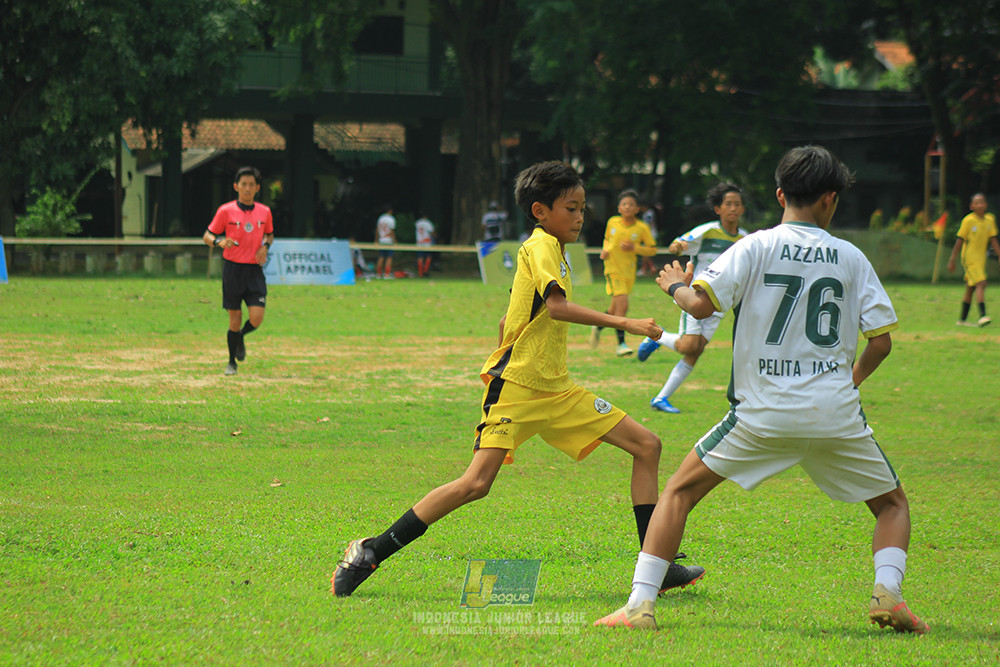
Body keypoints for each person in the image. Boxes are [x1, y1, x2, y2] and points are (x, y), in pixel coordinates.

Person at [595, 145, 928, 634]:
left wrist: (673, 286)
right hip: (835, 414)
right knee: (892, 505)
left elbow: (702, 308)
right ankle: (888, 593)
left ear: (779, 195)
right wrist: (846, 384)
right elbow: (881, 343)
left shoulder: (754, 246)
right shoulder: (852, 257)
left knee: (679, 493)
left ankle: (639, 606)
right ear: (831, 199)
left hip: (761, 414)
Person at [331, 161, 704, 598]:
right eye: (571, 208)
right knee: (475, 484)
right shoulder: (542, 246)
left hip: (558, 389)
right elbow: (557, 309)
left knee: (647, 445)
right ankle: (370, 550)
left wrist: (513, 337)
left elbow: (513, 314)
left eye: (583, 207)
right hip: (518, 390)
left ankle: (655, 568)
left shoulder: (554, 250)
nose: (580, 216)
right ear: (539, 211)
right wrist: (630, 324)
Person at [637, 183, 748, 413]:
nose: (733, 208)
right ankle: (656, 338)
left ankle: (660, 399)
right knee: (689, 346)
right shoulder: (707, 231)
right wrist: (680, 246)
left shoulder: (745, 240)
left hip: (721, 303)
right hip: (695, 297)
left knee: (695, 351)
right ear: (718, 208)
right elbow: (675, 246)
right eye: (728, 204)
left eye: (737, 204)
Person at [202, 166, 274, 377]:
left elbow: (269, 235)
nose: (247, 188)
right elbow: (207, 235)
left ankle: (241, 335)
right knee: (234, 318)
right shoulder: (226, 211)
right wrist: (219, 241)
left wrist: (265, 246)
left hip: (254, 271)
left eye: (252, 184)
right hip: (233, 270)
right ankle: (231, 362)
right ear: (236, 186)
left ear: (258, 188)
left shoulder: (265, 212)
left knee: (257, 317)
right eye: (243, 184)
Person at [590, 189, 658, 357]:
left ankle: (597, 326)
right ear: (619, 208)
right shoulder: (612, 222)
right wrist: (605, 250)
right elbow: (607, 239)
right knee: (623, 306)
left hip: (629, 271)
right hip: (612, 269)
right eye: (624, 204)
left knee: (614, 310)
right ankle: (621, 344)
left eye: (631, 205)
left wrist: (634, 248)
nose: (627, 207)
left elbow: (652, 250)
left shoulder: (642, 228)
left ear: (637, 209)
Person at [947, 193, 1000, 327]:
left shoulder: (989, 220)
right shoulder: (968, 221)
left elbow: (993, 239)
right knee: (981, 284)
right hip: (969, 259)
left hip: (981, 259)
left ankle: (962, 319)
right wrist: (952, 259)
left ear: (986, 205)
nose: (979, 205)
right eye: (976, 203)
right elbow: (960, 240)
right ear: (972, 206)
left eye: (982, 202)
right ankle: (982, 315)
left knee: (970, 288)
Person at [375, 204, 396, 279]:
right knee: (389, 257)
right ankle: (387, 274)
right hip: (388, 240)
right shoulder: (391, 219)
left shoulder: (380, 218)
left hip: (381, 239)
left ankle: (378, 274)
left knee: (381, 257)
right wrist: (395, 240)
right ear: (390, 211)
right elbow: (392, 231)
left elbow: (377, 229)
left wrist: (376, 239)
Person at [414, 212, 436, 277]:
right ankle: (426, 271)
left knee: (420, 257)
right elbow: (431, 232)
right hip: (426, 242)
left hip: (419, 242)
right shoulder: (428, 223)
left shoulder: (417, 223)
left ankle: (420, 273)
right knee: (428, 256)